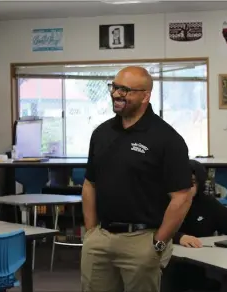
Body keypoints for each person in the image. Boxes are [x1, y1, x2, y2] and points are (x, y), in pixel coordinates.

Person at [81, 66, 194, 292]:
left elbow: (182, 197)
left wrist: (158, 244)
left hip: (142, 240)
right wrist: (91, 232)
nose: (116, 94)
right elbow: (90, 183)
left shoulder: (167, 139)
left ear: (146, 96)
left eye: (125, 90)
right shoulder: (101, 133)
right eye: (114, 87)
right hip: (100, 239)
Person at [162, 159, 227, 292]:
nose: (187, 186)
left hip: (202, 264)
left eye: (193, 182)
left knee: (220, 280)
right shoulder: (164, 202)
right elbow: (150, 230)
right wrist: (178, 237)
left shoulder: (208, 204)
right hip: (171, 264)